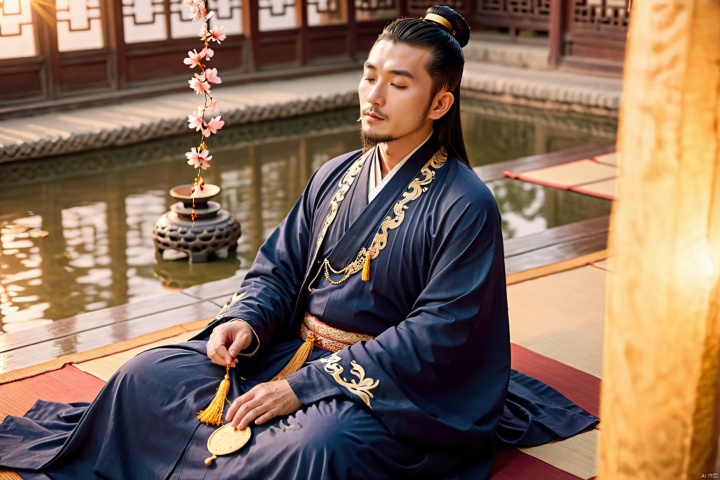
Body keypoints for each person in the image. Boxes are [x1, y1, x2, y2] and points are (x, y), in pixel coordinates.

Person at [0, 5, 597, 479]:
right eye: (370, 76)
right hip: (287, 347)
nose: (375, 96)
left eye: (398, 84)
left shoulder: (465, 204)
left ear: (439, 102)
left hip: (388, 390)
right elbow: (278, 268)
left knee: (319, 447)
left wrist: (304, 388)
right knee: (146, 375)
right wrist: (249, 321)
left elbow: (437, 334)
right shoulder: (335, 174)